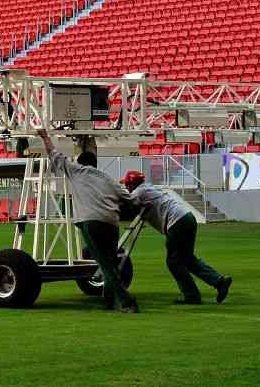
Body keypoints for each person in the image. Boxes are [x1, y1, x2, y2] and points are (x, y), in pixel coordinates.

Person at [37, 129, 139, 313]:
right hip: (111, 222)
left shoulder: (76, 170)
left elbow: (54, 155)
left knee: (105, 265)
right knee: (111, 263)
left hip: (90, 221)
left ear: (80, 162)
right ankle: (109, 300)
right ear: (95, 163)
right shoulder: (107, 177)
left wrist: (45, 137)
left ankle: (126, 302)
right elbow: (131, 199)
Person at [121, 171, 232, 305]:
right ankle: (220, 282)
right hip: (187, 218)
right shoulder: (148, 188)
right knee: (188, 259)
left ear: (131, 184)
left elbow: (125, 205)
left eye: (127, 184)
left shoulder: (138, 193)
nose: (126, 187)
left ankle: (192, 295)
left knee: (174, 262)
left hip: (177, 222)